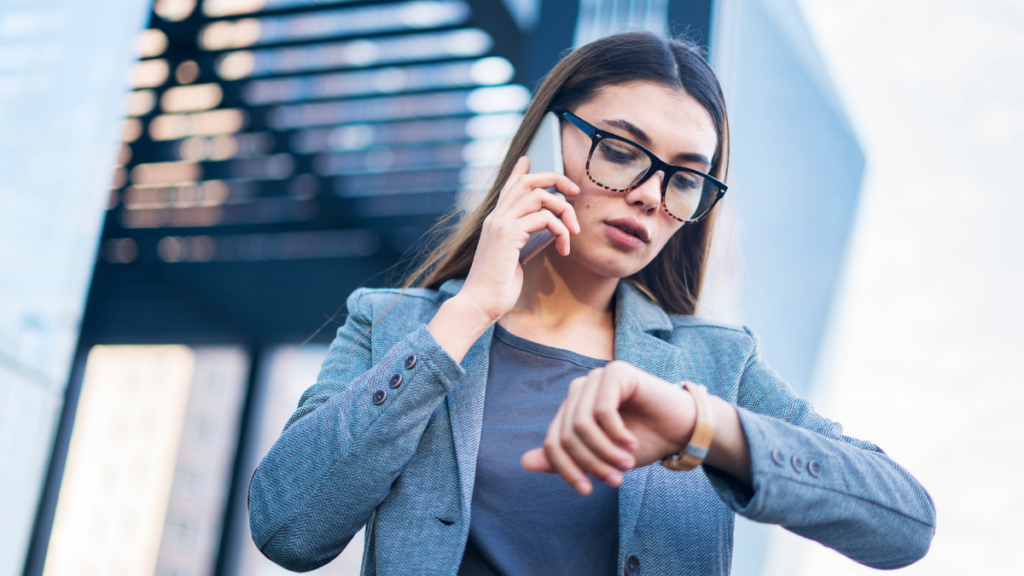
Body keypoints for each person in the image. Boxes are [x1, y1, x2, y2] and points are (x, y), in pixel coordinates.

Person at [247, 31, 935, 576]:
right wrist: (468, 312)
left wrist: (702, 427)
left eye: (685, 178)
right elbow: (288, 529)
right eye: (620, 149)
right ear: (546, 143)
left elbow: (905, 522)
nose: (647, 193)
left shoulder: (716, 364)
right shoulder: (392, 323)